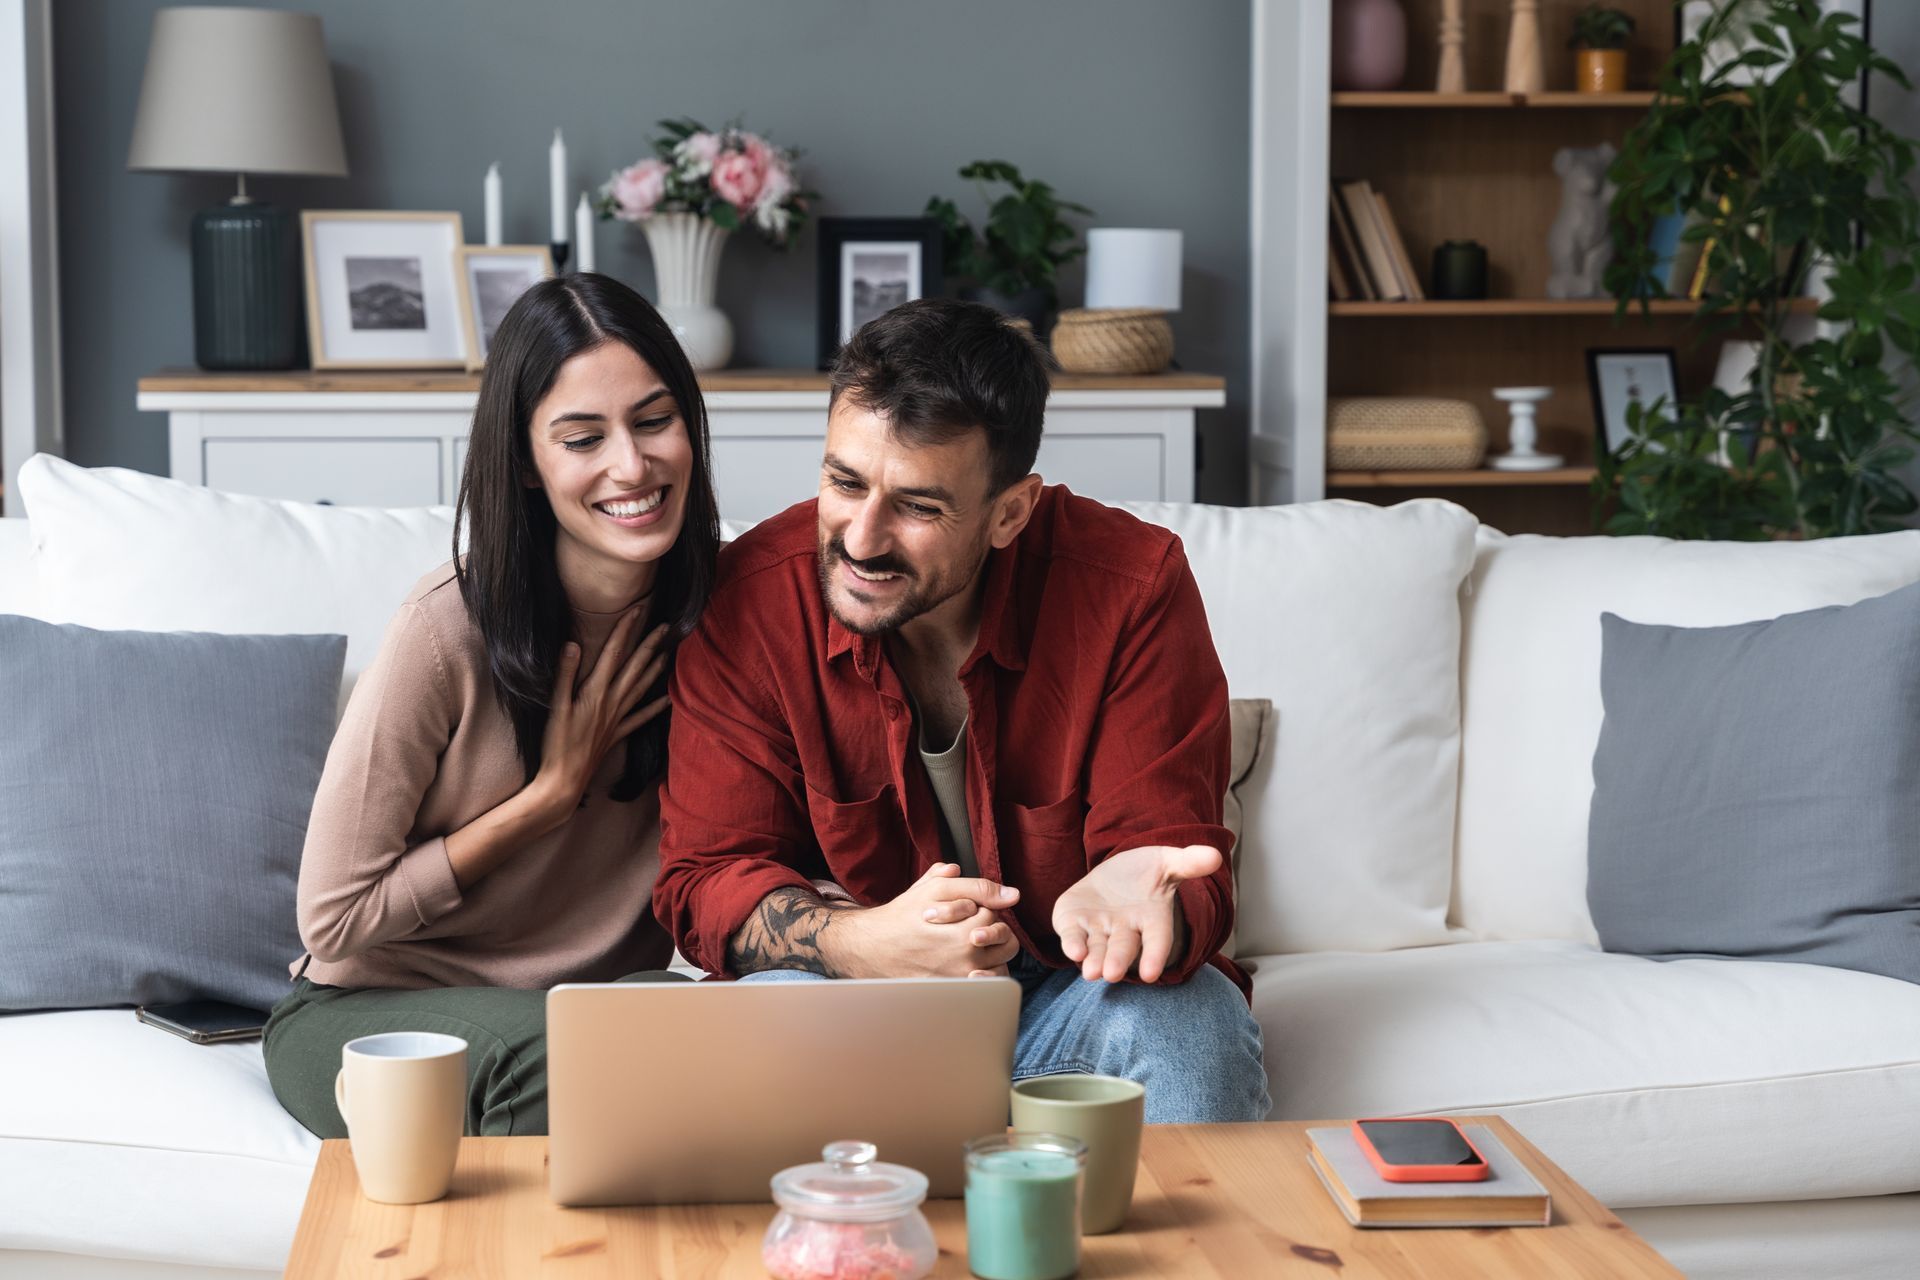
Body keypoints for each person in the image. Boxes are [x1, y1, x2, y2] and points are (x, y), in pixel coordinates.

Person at [655, 298, 1269, 1123]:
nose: (862, 539)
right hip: (858, 1001)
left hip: (1071, 994)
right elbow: (705, 877)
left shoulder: (1132, 587)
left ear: (1011, 511)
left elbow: (1171, 867)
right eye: (844, 482)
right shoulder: (750, 600)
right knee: (765, 1008)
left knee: (1189, 1017)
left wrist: (1149, 902)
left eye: (917, 506)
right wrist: (860, 942)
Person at [263, 274, 722, 1137]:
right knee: (563, 1060)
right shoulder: (445, 629)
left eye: (654, 421)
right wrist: (547, 797)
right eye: (583, 438)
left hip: (586, 1012)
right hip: (367, 1015)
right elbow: (335, 916)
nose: (632, 465)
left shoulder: (722, 620)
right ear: (526, 462)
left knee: (697, 1023)